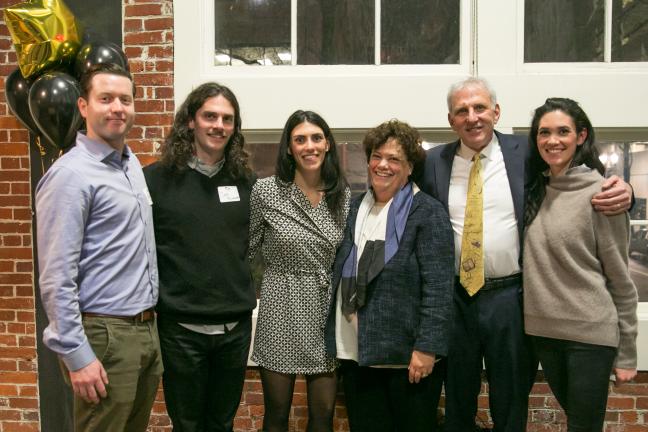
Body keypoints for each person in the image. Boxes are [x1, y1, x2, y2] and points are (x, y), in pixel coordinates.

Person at [420, 77, 633, 431]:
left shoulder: (528, 152)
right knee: (457, 399)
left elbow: (575, 170)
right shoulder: (431, 162)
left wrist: (625, 190)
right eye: (462, 111)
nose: (472, 117)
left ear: (496, 112)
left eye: (480, 108)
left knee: (511, 400)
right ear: (450, 119)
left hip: (511, 300)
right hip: (454, 300)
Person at [36, 63, 162, 432]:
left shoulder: (131, 164)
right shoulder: (70, 175)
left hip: (145, 330)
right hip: (104, 336)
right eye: (105, 99)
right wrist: (77, 356)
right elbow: (56, 275)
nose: (117, 108)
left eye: (125, 99)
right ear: (83, 106)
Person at [324, 120, 454, 431]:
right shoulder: (356, 208)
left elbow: (438, 287)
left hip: (406, 360)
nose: (383, 165)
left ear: (409, 167)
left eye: (394, 159)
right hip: (357, 355)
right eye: (377, 156)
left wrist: (426, 348)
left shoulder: (427, 212)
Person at [144, 82, 257, 432]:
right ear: (190, 121)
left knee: (222, 424)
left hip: (234, 331)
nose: (218, 125)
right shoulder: (154, 180)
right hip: (181, 332)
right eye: (210, 116)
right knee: (188, 425)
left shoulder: (247, 184)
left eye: (227, 118)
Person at [523, 97, 638, 431]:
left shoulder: (603, 193)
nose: (552, 140)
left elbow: (620, 279)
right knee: (577, 421)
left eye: (563, 131)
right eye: (544, 132)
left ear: (581, 136)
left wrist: (628, 353)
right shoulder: (534, 189)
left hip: (590, 336)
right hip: (543, 334)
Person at [249, 110, 350, 432]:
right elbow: (248, 252)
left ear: (328, 144)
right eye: (300, 139)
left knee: (322, 419)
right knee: (276, 417)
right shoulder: (266, 192)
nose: (310, 146)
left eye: (317, 138)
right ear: (289, 148)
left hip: (325, 312)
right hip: (280, 305)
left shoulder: (342, 196)